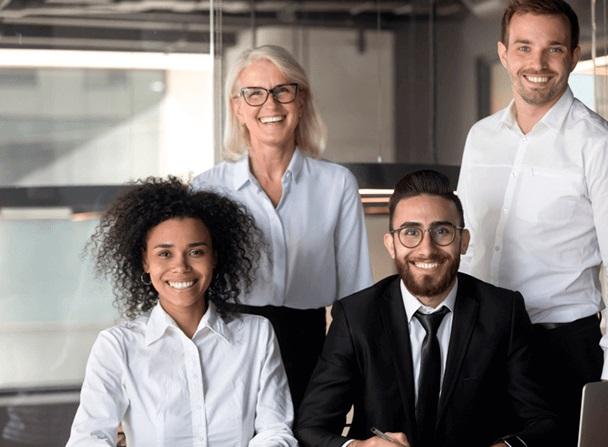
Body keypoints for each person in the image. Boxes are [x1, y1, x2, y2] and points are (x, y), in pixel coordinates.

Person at [457, 0, 608, 443]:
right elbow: (466, 247)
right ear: (504, 53)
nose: (538, 64)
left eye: (554, 49)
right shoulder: (481, 138)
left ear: (574, 56)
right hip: (480, 344)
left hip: (561, 350)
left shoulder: (601, 146)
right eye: (524, 48)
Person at [295, 170, 556, 447]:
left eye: (441, 231)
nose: (427, 249)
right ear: (391, 244)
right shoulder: (355, 315)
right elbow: (312, 426)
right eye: (411, 232)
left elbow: (543, 421)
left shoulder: (504, 311)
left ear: (463, 241)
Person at [194, 45, 373, 411]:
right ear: (237, 108)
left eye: (282, 91)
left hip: (309, 349)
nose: (270, 105)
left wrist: (354, 375)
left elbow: (356, 295)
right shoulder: (207, 188)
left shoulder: (336, 183)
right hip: (228, 347)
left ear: (301, 100)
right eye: (254, 94)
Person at [67, 177, 297, 446]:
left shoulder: (257, 335)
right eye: (165, 254)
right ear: (145, 261)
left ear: (215, 257)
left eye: (196, 252)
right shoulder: (117, 346)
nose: (181, 267)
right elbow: (88, 439)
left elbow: (275, 430)